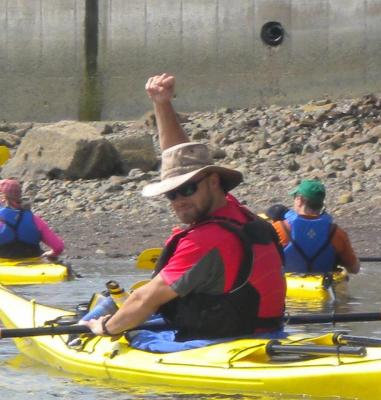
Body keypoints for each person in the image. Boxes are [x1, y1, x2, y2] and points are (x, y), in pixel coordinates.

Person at [84, 73, 286, 340]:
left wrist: (105, 328)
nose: (179, 199)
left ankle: (84, 327)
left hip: (221, 344)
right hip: (266, 333)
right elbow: (180, 157)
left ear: (213, 182)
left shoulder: (207, 239)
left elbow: (146, 298)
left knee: (115, 321)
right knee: (121, 306)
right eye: (171, 193)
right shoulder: (235, 213)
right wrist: (162, 104)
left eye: (187, 189)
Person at [271, 179, 360, 274]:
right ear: (321, 204)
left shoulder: (278, 228)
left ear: (299, 200)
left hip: (290, 286)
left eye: (295, 197)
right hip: (323, 286)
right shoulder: (336, 233)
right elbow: (354, 269)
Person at [0, 179, 64, 259]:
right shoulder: (35, 220)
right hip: (33, 263)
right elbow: (58, 247)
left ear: (2, 197)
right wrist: (51, 253)